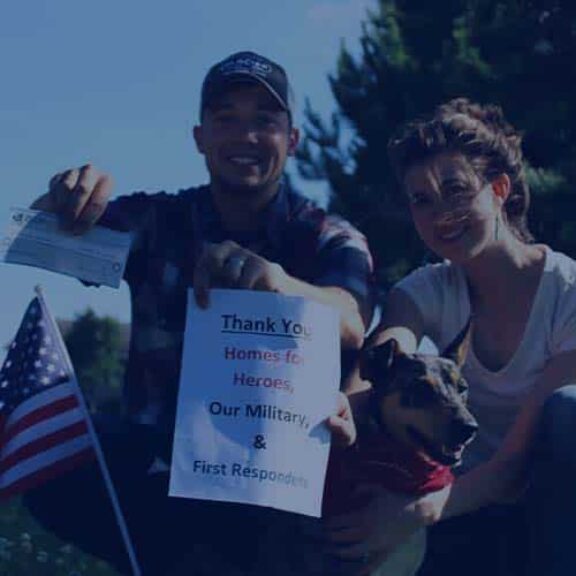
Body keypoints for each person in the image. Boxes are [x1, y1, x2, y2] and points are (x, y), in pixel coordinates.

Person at [24, 51, 373, 575]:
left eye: (264, 120)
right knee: (47, 445)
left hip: (270, 477)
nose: (245, 136)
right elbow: (35, 239)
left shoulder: (328, 236)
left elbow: (351, 318)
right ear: (198, 138)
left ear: (292, 140)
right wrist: (65, 196)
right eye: (226, 118)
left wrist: (280, 285)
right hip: (156, 472)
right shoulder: (154, 221)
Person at [328, 98, 576, 576]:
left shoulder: (567, 294)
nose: (441, 212)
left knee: (567, 410)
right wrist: (346, 407)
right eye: (421, 199)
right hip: (464, 507)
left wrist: (414, 513)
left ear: (499, 189)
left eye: (456, 189)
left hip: (548, 504)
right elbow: (387, 350)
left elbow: (513, 467)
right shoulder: (426, 290)